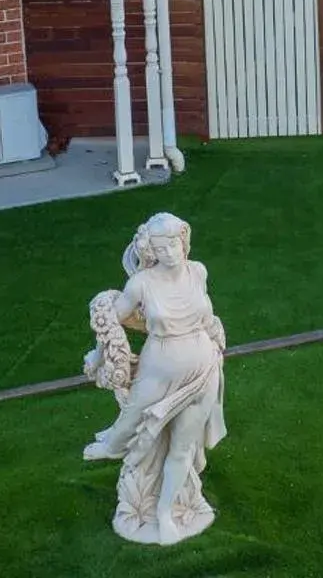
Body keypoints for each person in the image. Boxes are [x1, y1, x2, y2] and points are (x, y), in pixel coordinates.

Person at [82, 212, 228, 545]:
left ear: (184, 242)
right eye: (162, 248)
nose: (171, 252)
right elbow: (111, 321)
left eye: (175, 243)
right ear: (151, 251)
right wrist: (100, 356)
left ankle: (164, 513)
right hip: (159, 367)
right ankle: (112, 446)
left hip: (202, 368)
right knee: (133, 422)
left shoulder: (198, 272)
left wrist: (218, 344)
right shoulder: (141, 284)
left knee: (182, 447)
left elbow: (207, 317)